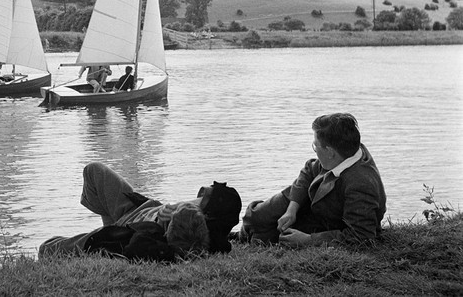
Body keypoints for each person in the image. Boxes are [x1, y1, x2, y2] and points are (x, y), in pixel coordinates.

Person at [240, 112, 386, 247]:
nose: (314, 150)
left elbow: (361, 236)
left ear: (330, 152)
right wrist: (292, 208)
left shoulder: (361, 184)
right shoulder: (344, 151)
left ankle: (242, 237)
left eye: (315, 146)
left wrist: (308, 240)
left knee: (268, 237)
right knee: (256, 216)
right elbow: (310, 169)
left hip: (330, 221)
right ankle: (243, 234)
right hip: (314, 200)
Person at [39, 162, 241, 259]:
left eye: (202, 197)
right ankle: (109, 224)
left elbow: (47, 249)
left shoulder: (149, 237)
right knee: (93, 170)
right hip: (141, 207)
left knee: (47, 248)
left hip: (131, 226)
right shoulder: (198, 220)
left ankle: (110, 228)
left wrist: (171, 219)